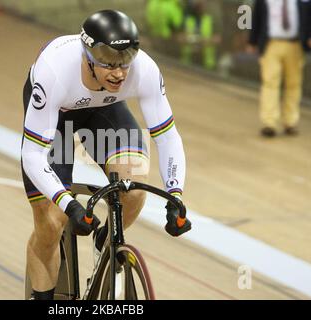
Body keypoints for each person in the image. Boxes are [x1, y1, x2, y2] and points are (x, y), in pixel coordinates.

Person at [21, 10, 190, 300]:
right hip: (57, 117)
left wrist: (176, 195)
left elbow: (167, 137)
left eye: (125, 63)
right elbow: (33, 156)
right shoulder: (55, 70)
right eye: (109, 64)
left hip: (105, 110)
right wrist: (69, 204)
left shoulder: (144, 69)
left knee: (134, 190)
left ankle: (106, 245)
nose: (119, 73)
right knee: (51, 221)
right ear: (88, 56)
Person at [247, 0, 311, 137]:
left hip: (295, 44)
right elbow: (256, 15)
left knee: (293, 84)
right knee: (269, 82)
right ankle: (269, 123)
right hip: (271, 43)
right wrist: (252, 41)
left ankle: (290, 122)